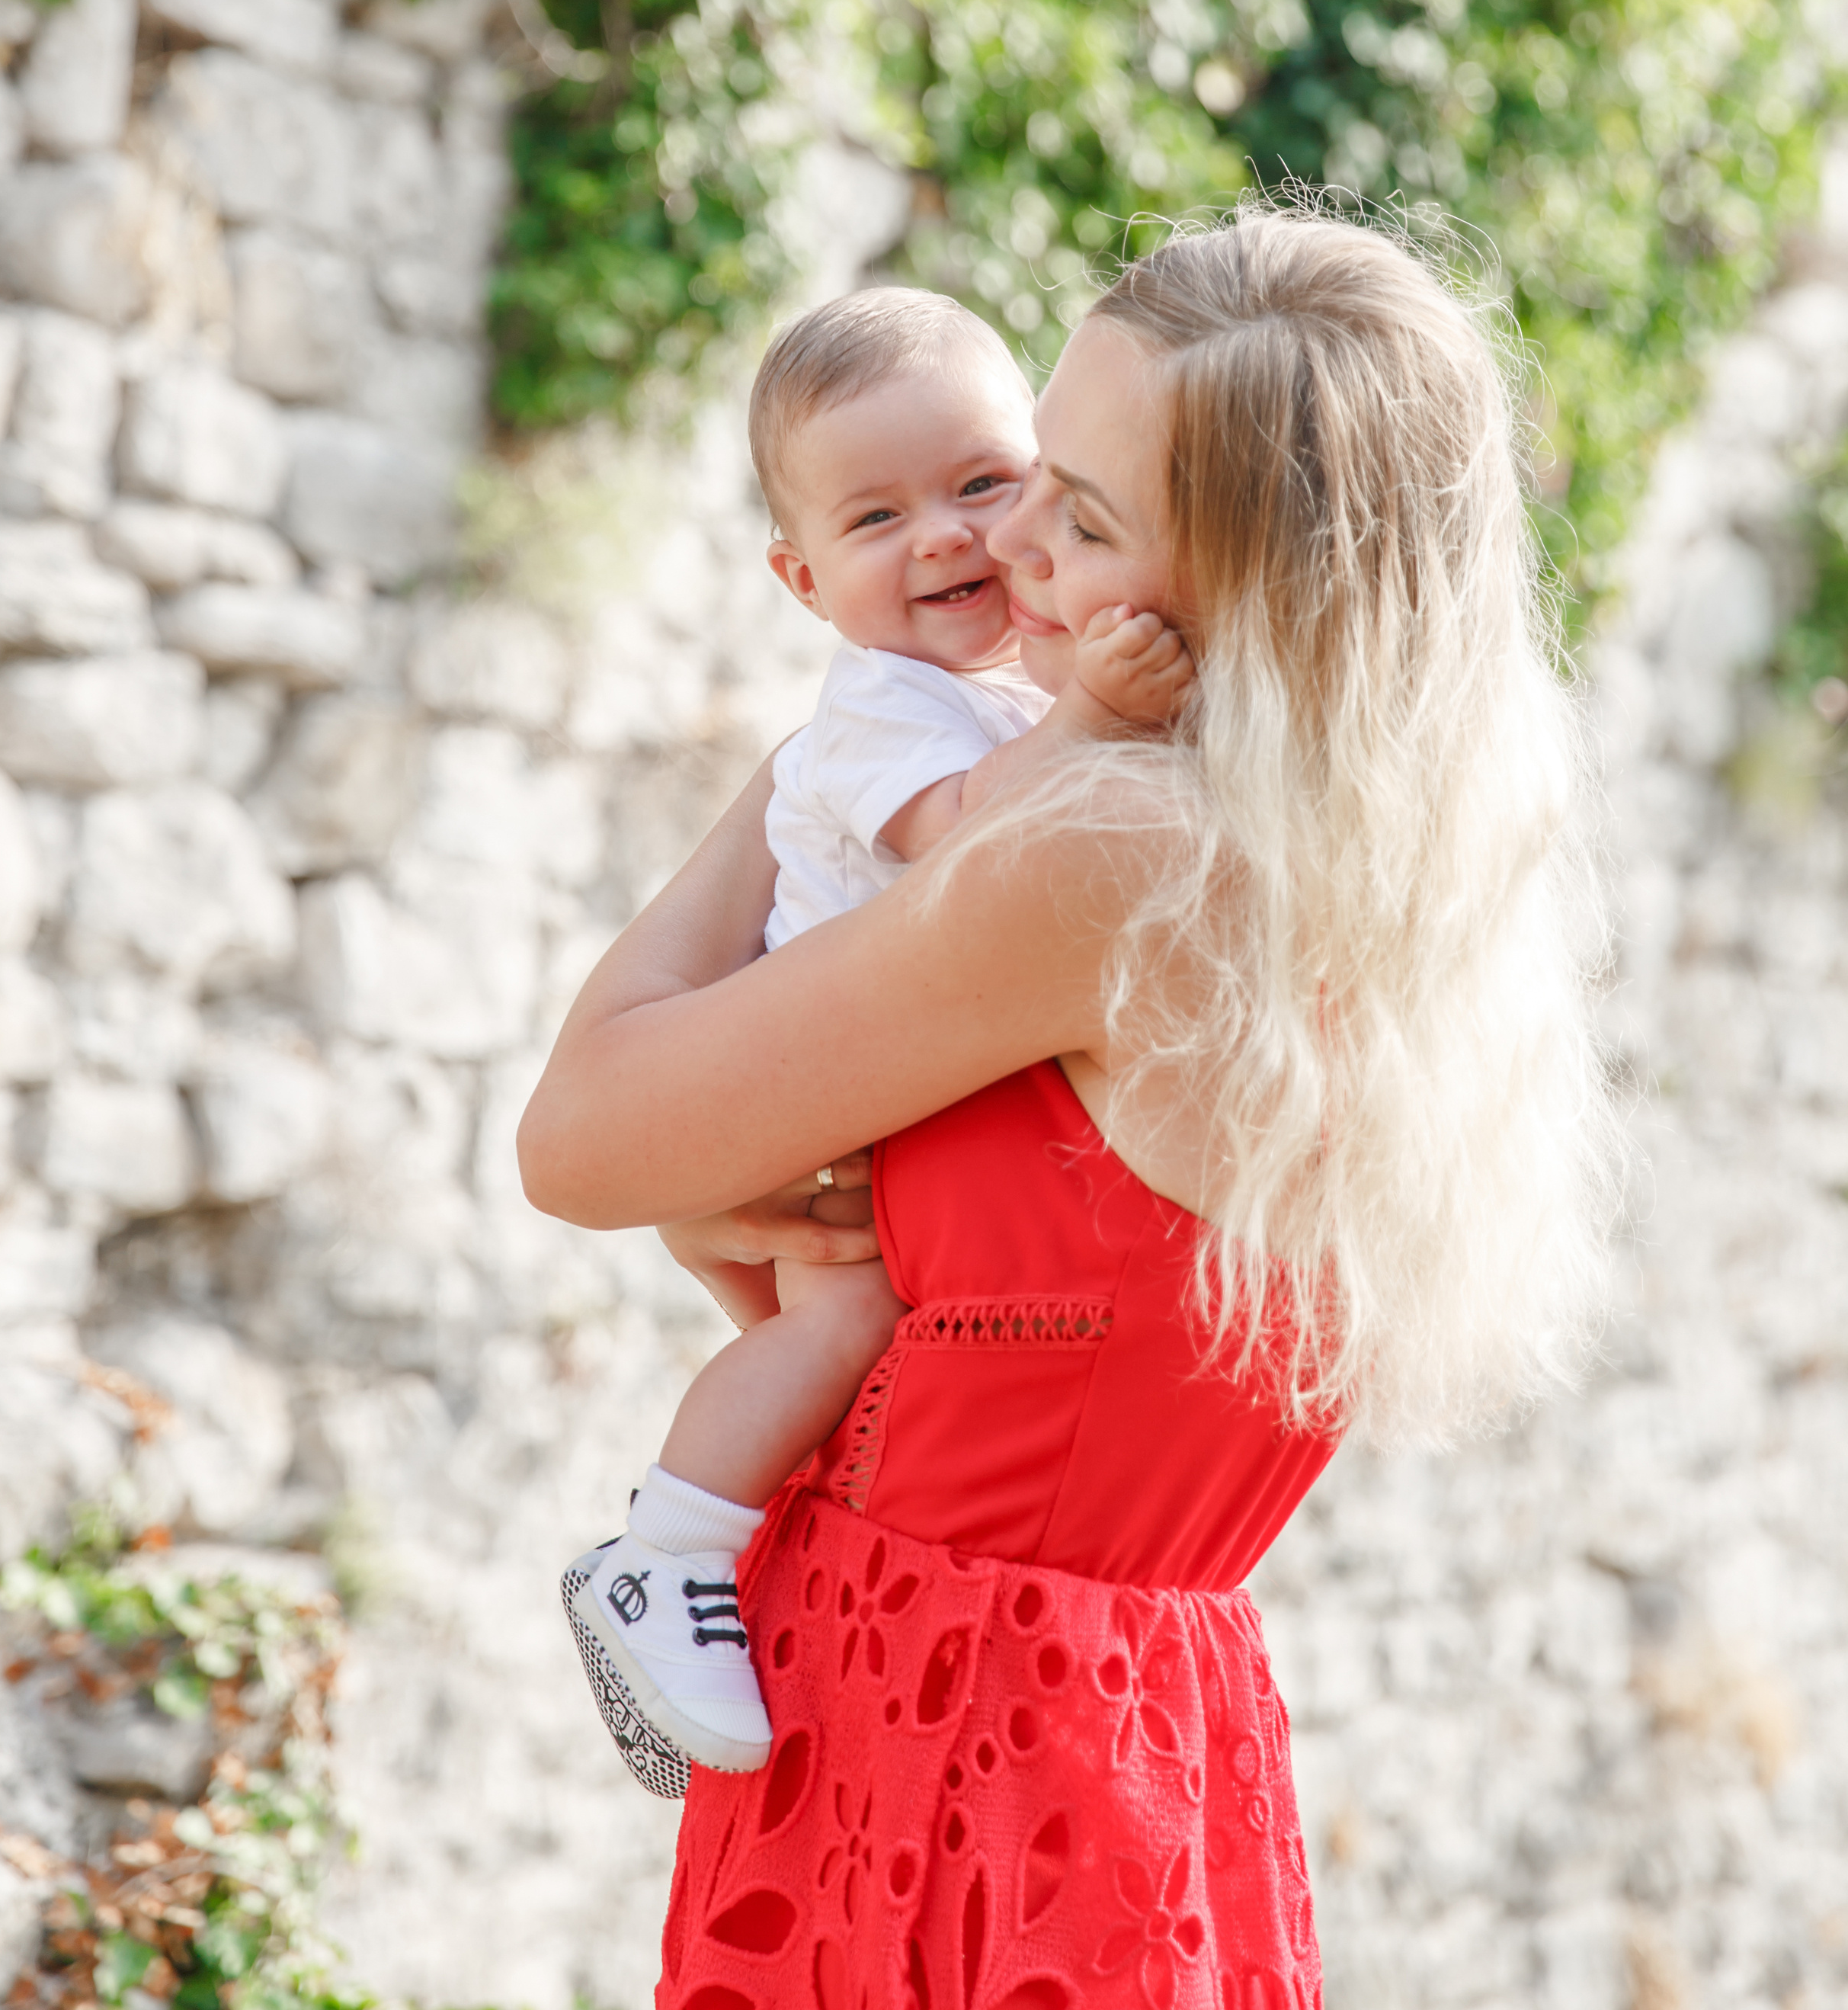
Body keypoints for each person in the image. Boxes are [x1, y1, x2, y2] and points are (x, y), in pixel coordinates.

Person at [519, 207, 1615, 2009]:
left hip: (950, 1741)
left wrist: (837, 740)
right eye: (1038, 468)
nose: (999, 544)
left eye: (1078, 517)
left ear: (1250, 593)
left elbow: (577, 1138)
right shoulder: (1380, 868)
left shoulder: (1100, 856)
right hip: (1133, 1740)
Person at [562, 287, 1194, 1787]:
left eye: (982, 484)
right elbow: (972, 847)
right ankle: (667, 1551)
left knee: (868, 1339)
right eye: (875, 520)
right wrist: (1099, 718)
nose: (944, 538)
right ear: (799, 579)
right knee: (835, 1321)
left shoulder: (990, 696)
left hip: (885, 1094)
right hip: (818, 1097)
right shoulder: (880, 719)